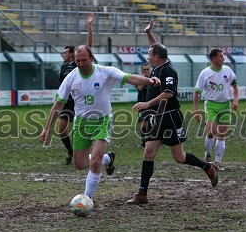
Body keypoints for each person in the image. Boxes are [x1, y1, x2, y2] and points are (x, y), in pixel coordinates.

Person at [40, 45, 160, 203]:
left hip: (102, 120)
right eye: (78, 61)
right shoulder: (71, 77)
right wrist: (47, 128)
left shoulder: (105, 72)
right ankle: (108, 159)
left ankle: (87, 199)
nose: (81, 64)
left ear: (92, 58)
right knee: (80, 164)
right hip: (81, 123)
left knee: (95, 161)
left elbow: (130, 78)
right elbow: (58, 104)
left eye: (84, 60)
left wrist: (149, 81)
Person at [126, 20, 218, 205]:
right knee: (148, 153)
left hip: (170, 117)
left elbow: (168, 94)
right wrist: (148, 33)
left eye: (150, 54)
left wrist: (146, 104)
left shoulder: (168, 71)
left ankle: (207, 166)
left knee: (179, 157)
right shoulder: (159, 65)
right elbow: (155, 46)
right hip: (157, 118)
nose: (148, 57)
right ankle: (142, 194)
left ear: (157, 57)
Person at [193, 48, 239, 169]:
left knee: (222, 134)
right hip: (211, 105)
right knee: (211, 132)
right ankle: (207, 154)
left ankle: (218, 162)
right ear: (214, 58)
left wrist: (236, 99)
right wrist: (196, 111)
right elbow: (197, 92)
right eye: (220, 56)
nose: (223, 58)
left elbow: (235, 86)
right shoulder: (205, 73)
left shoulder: (228, 70)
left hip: (225, 105)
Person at [58, 13, 95, 165]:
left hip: (79, 102)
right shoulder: (63, 67)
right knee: (61, 129)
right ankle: (70, 150)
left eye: (65, 52)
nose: (63, 54)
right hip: (67, 102)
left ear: (72, 55)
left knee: (79, 130)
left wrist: (89, 26)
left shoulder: (77, 64)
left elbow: (89, 46)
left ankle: (84, 153)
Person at [136, 63, 151, 147]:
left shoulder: (154, 79)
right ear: (142, 71)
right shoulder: (140, 80)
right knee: (144, 124)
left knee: (153, 123)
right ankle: (144, 141)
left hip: (152, 104)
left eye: (147, 69)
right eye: (144, 70)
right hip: (142, 105)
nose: (146, 71)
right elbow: (140, 87)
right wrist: (146, 79)